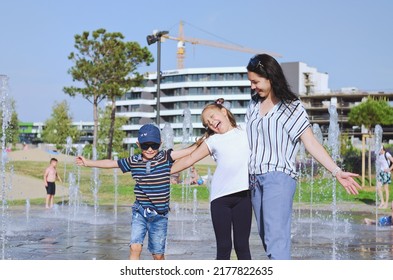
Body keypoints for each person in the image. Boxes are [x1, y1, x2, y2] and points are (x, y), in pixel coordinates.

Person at [245, 54, 362, 260]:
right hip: (254, 179)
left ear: (270, 77)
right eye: (251, 82)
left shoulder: (291, 106)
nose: (253, 87)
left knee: (276, 240)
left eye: (256, 82)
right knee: (266, 237)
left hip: (278, 176)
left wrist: (336, 171)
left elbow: (310, 142)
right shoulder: (253, 105)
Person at [75, 123, 195, 260]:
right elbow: (111, 163)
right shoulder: (134, 161)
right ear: (138, 145)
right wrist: (88, 162)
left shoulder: (165, 157)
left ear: (160, 144)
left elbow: (188, 151)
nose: (150, 149)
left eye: (154, 146)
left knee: (158, 255)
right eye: (145, 146)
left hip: (160, 215)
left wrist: (203, 141)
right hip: (140, 211)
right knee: (135, 247)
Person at [171, 98, 252, 260]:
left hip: (244, 197)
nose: (212, 123)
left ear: (224, 111)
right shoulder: (212, 140)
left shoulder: (246, 130)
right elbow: (190, 158)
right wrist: (162, 171)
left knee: (242, 246)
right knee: (224, 247)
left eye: (213, 117)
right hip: (220, 199)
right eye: (208, 123)